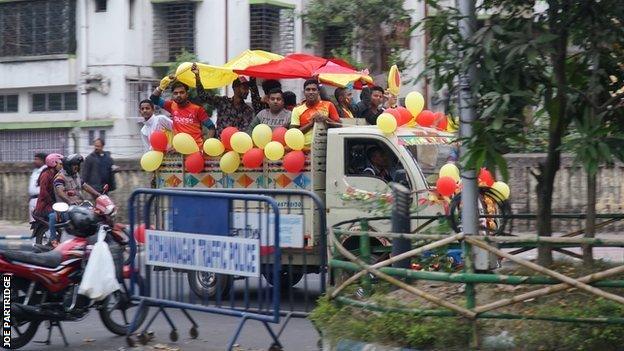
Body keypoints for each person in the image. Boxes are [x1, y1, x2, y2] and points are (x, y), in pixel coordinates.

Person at [192, 63, 260, 137]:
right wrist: (197, 77)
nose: (247, 91)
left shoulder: (248, 110)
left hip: (235, 145)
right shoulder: (222, 102)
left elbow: (243, 131)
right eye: (244, 88)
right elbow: (203, 96)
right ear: (235, 88)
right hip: (218, 145)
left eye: (247, 89)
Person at [150, 73, 215, 149]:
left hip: (196, 150)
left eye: (181, 92)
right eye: (175, 93)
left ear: (187, 94)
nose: (178, 95)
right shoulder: (171, 106)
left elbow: (211, 127)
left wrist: (206, 145)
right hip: (178, 150)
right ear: (172, 95)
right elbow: (153, 98)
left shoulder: (197, 109)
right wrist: (161, 87)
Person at [52, 154, 101, 246]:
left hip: (79, 207)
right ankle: (68, 243)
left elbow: (85, 186)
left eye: (78, 165)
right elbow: (60, 192)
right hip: (66, 208)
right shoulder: (60, 177)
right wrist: (69, 200)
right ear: (68, 166)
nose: (77, 167)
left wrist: (97, 194)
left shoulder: (76, 175)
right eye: (74, 165)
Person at [290, 79, 341, 146]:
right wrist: (311, 124)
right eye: (308, 90)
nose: (311, 92)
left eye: (314, 89)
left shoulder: (329, 105)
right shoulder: (297, 110)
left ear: (318, 92)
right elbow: (293, 134)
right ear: (304, 92)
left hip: (325, 147)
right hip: (303, 149)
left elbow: (339, 126)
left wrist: (325, 119)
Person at [33, 153, 64, 246]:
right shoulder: (45, 175)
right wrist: (53, 203)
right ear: (53, 163)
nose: (61, 166)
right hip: (44, 206)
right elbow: (43, 192)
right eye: (60, 164)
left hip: (51, 204)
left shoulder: (56, 174)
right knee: (54, 216)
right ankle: (53, 238)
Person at [28, 152, 47, 222]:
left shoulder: (46, 171)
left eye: (37, 159)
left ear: (43, 161)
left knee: (42, 223)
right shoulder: (35, 171)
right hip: (33, 199)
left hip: (40, 200)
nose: (35, 161)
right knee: (34, 224)